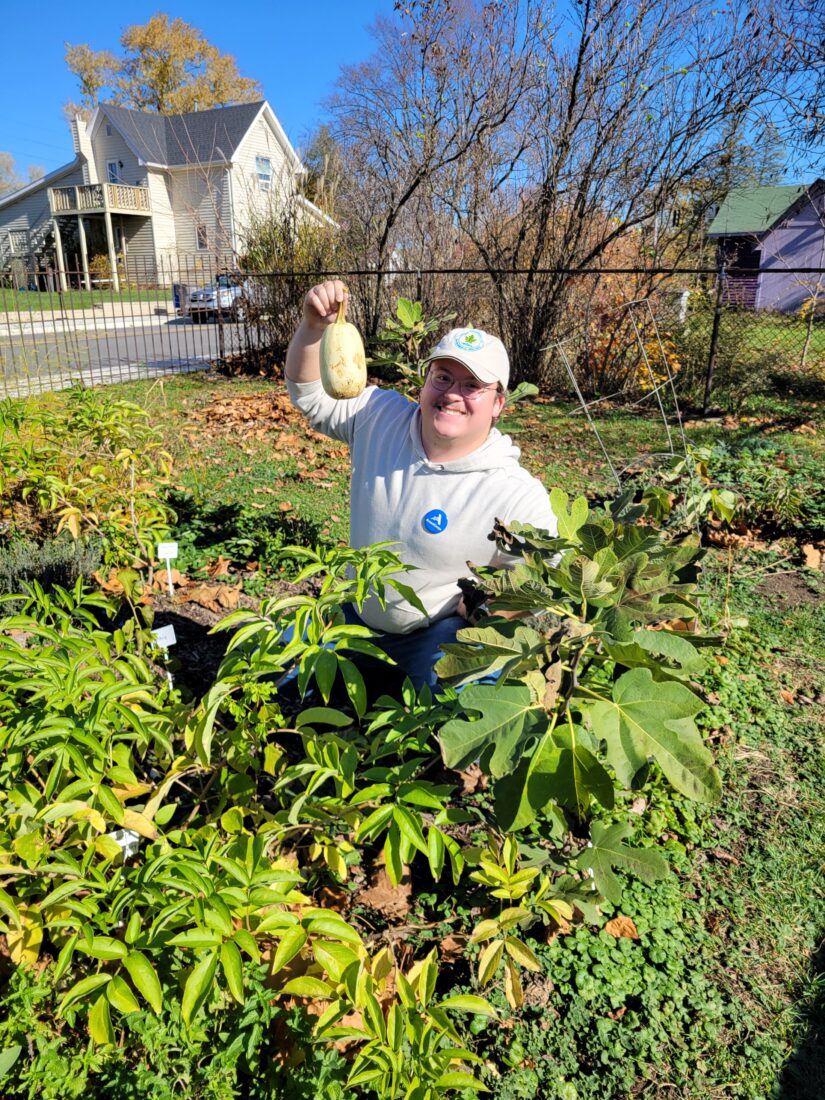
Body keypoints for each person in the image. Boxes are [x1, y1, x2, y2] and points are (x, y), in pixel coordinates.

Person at [284, 279, 556, 690]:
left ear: (499, 403)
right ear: (425, 381)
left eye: (472, 386)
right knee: (274, 668)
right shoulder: (379, 415)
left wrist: (493, 609)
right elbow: (310, 396)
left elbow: (544, 579)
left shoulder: (514, 492)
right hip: (358, 620)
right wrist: (311, 329)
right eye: (443, 377)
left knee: (465, 701)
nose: (451, 395)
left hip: (437, 637)